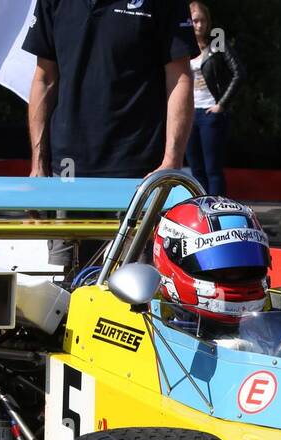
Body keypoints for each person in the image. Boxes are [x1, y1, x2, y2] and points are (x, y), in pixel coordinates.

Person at [23, 0, 197, 269]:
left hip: (137, 175)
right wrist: (38, 164)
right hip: (67, 175)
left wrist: (171, 163)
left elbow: (180, 77)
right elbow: (45, 78)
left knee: (131, 290)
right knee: (63, 288)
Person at [150, 195, 271, 335]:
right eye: (221, 268)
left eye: (247, 267)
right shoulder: (155, 336)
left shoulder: (275, 328)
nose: (236, 274)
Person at [186, 2, 244, 195]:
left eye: (203, 21)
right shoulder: (182, 45)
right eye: (195, 21)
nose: (199, 25)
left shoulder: (216, 43)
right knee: (196, 171)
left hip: (210, 113)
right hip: (188, 114)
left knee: (213, 170)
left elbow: (239, 72)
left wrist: (221, 105)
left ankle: (216, 212)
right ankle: (200, 211)